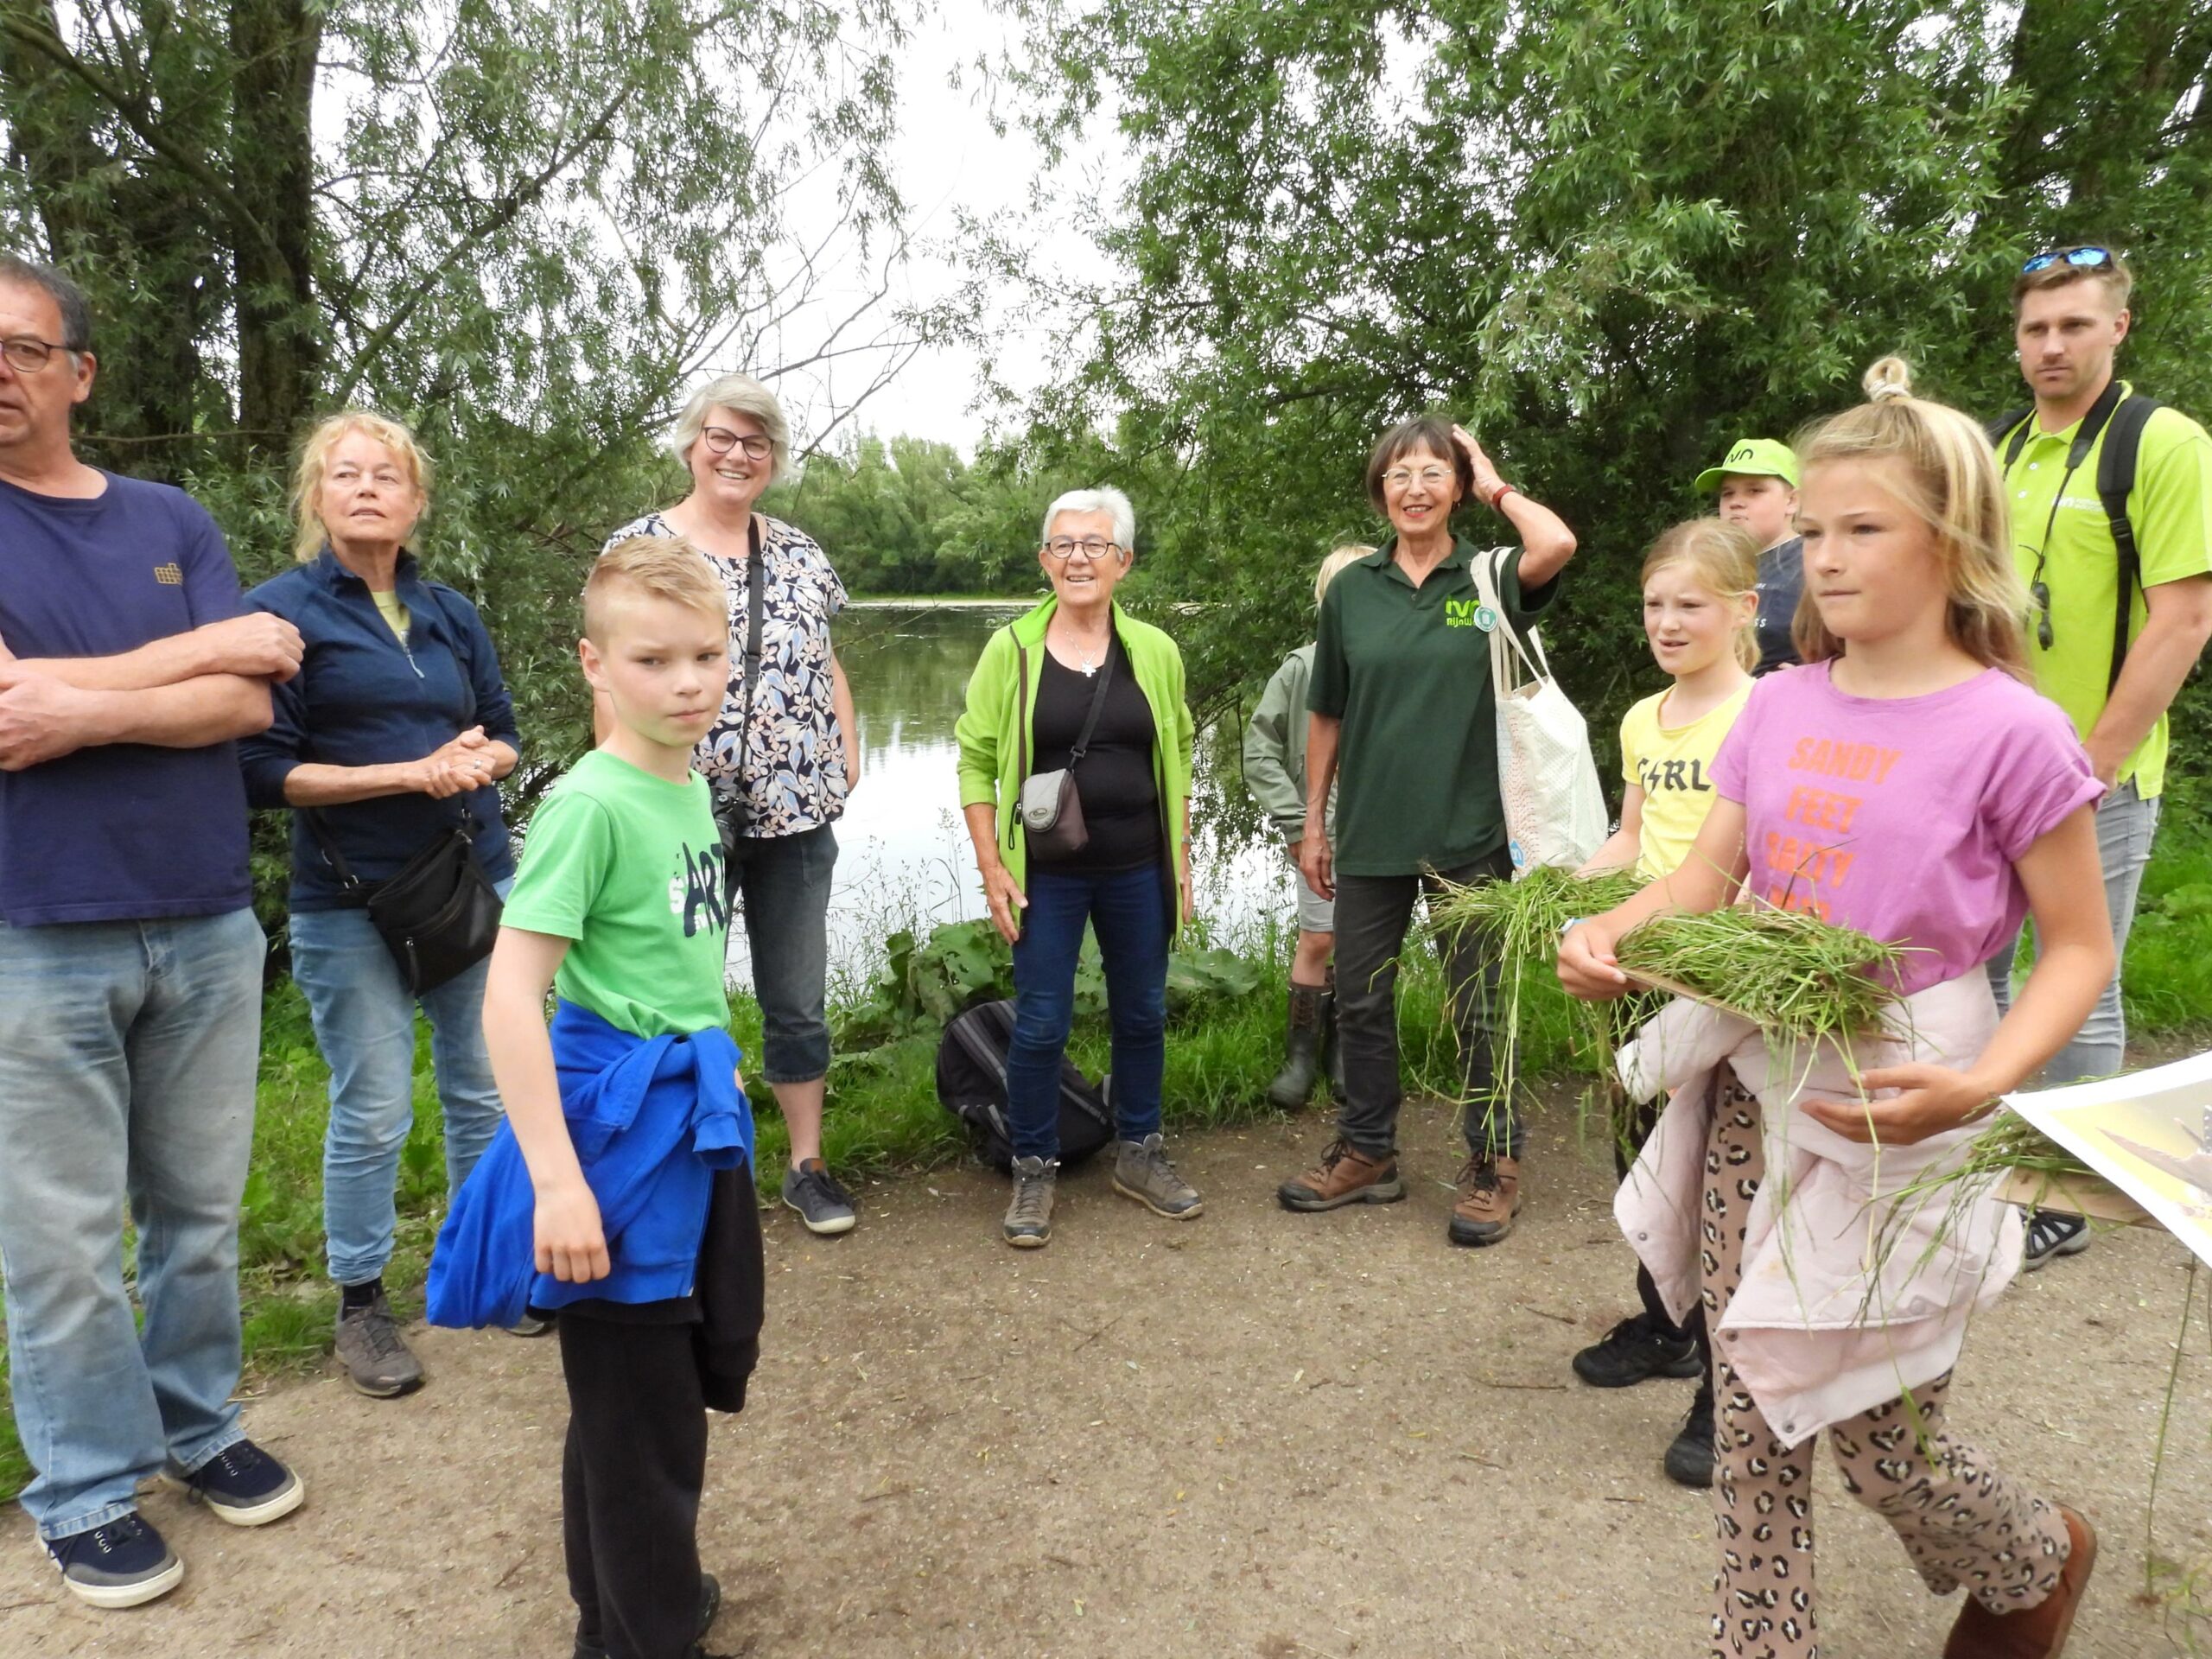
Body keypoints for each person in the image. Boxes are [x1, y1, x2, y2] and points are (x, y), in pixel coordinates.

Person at [1559, 358, 2107, 1659]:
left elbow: (2081, 950)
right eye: (1811, 530)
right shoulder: (1784, 704)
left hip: (1908, 1101)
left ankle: (2036, 1558)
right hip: (1757, 1087)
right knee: (1749, 1414)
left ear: (1956, 541)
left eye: (1863, 527)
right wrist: (1616, 934)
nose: (1827, 555)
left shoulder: (2014, 732)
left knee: (1875, 1441)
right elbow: (1709, 869)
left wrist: (1985, 1086)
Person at [0, 253, 306, 1608]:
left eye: (22, 348)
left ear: (78, 371)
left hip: (203, 920)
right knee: (61, 1237)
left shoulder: (168, 515)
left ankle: (201, 1429)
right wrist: (184, 661)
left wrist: (75, 706)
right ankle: (79, 1486)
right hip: (34, 930)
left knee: (196, 1212)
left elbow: (252, 701)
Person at [435, 535, 763, 1659]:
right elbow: (510, 999)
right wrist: (556, 1183)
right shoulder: (591, 804)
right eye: (655, 659)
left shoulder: (685, 787)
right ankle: (648, 1634)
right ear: (593, 665)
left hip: (681, 1131)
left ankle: (613, 1623)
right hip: (614, 1147)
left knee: (636, 1410)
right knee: (647, 1431)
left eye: (708, 656)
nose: (687, 682)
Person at [238, 411, 528, 1398]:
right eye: (346, 474)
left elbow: (505, 733)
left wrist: (475, 760)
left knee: (482, 1086)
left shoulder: (449, 609)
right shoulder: (279, 614)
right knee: (371, 1109)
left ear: (416, 502)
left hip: (468, 879)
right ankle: (361, 1306)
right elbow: (265, 773)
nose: (367, 489)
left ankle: (477, 1266)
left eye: (387, 477)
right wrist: (409, 774)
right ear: (317, 498)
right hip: (348, 898)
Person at [1278, 416, 1577, 1246]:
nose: (1414, 487)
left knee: (1478, 1007)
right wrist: (1315, 820)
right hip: (1371, 832)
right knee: (1362, 1000)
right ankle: (1368, 1150)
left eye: (1432, 472)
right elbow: (1327, 712)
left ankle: (1493, 1163)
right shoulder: (1352, 591)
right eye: (1398, 473)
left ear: (1455, 488)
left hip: (1470, 829)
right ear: (1380, 491)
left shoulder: (1486, 579)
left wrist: (1494, 476)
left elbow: (1556, 543)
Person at [1985, 245, 2212, 1268]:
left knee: (2079, 975)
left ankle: (2066, 1193)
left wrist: (2094, 761)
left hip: (2093, 776)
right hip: (1987, 768)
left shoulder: (2159, 444)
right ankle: (1982, 1161)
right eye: (2035, 328)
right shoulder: (1999, 451)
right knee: (1980, 964)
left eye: (2073, 325)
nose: (2051, 346)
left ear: (2118, 326)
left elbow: (2185, 619)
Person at [603, 372, 861, 1237]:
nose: (737, 455)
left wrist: (846, 754)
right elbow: (613, 672)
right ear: (690, 442)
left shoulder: (797, 552)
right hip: (680, 813)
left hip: (795, 813)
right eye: (723, 436)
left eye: (756, 443)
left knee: (797, 994)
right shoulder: (640, 548)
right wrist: (627, 789)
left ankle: (805, 1165)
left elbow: (823, 663)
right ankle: (681, 1168)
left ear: (774, 460)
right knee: (676, 993)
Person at [1566, 518, 1759, 1491]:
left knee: (1715, 1178)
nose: (1669, 622)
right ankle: (1670, 1323)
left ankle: (1724, 1387)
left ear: (1742, 610)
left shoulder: (1768, 715)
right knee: (1639, 1153)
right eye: (1655, 605)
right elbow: (1633, 840)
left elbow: (1755, 864)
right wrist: (1564, 888)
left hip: (1720, 979)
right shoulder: (1644, 719)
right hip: (1636, 964)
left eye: (1691, 605)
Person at [955, 486, 1200, 1249]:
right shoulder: (1012, 650)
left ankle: (1140, 1150)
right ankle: (1033, 1163)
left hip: (1137, 867)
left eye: (1095, 545)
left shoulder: (1154, 650)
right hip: (1047, 875)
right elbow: (976, 759)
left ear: (1123, 561)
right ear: (1044, 560)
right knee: (1040, 1024)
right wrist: (992, 864)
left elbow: (1182, 755)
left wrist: (1182, 860)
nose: (1078, 559)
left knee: (1141, 1013)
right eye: (1064, 545)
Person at [1242, 545, 1370, 1109]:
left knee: (1365, 946)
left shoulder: (1395, 663)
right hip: (1321, 829)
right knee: (1318, 937)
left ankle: (1347, 1053)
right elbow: (1259, 751)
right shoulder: (1301, 667)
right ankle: (1300, 1057)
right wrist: (1296, 823)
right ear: (1326, 601)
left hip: (1381, 831)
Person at [1695, 437, 1804, 677]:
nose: (1736, 503)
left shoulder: (1817, 561)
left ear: (1792, 501)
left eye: (1755, 490)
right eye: (1728, 493)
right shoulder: (1708, 567)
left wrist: (1820, 677)